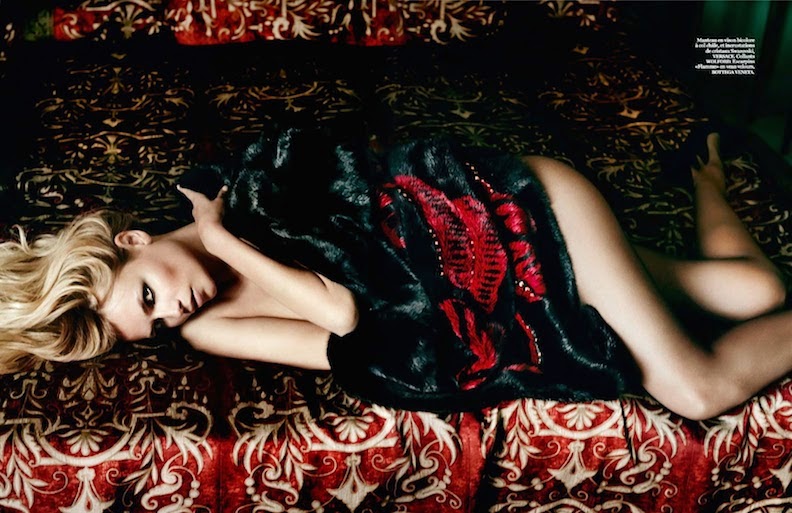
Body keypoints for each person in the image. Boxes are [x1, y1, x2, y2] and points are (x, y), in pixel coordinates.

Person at [0, 130, 788, 421]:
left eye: (149, 292)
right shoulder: (213, 322)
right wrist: (220, 246)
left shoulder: (248, 187)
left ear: (133, 239)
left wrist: (221, 230)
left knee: (696, 389)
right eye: (158, 324)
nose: (175, 308)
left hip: (504, 209)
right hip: (509, 294)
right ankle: (706, 176)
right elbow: (348, 325)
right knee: (758, 292)